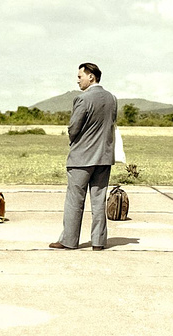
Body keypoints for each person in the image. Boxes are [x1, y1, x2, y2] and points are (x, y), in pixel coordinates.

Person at [50, 63, 118, 251]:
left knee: (75, 200)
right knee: (98, 200)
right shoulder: (112, 98)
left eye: (80, 76)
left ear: (91, 76)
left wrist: (73, 139)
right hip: (104, 157)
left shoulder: (82, 99)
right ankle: (98, 241)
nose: (78, 80)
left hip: (81, 158)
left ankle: (69, 240)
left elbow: (74, 127)